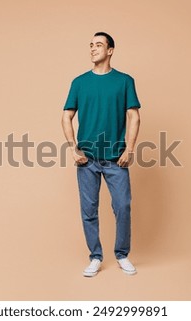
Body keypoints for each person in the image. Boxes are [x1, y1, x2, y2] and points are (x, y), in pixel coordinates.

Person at [61, 32, 142, 277]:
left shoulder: (125, 81)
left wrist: (129, 149)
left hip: (116, 158)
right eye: (91, 45)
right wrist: (72, 148)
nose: (93, 49)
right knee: (89, 210)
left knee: (123, 206)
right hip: (87, 159)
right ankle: (95, 256)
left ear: (110, 50)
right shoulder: (79, 82)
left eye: (98, 45)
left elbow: (134, 116)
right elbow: (66, 116)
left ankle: (122, 254)